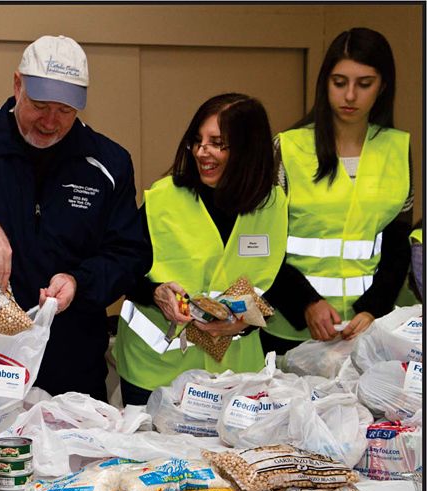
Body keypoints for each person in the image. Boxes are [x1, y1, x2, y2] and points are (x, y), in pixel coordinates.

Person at [0, 35, 150, 402]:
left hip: (70, 369)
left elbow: (128, 255)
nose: (50, 122)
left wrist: (79, 282)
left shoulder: (108, 163)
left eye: (65, 111)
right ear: (17, 84)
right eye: (39, 106)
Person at [113, 93, 289, 405]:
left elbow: (274, 281)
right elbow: (123, 270)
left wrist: (244, 322)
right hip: (156, 373)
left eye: (217, 142)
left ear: (248, 149)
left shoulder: (272, 205)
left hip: (235, 376)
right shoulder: (165, 198)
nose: (201, 152)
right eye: (197, 140)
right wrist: (156, 293)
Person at [262, 28, 414, 355]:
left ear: (383, 85)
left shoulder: (397, 149)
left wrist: (373, 308)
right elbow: (261, 244)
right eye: (339, 82)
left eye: (364, 84)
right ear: (325, 83)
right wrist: (307, 303)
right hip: (290, 331)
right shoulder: (288, 148)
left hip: (367, 331)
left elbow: (396, 246)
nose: (349, 96)